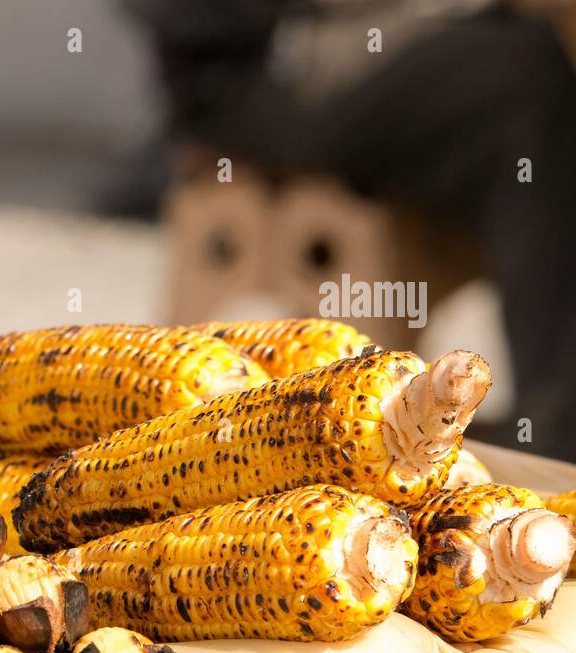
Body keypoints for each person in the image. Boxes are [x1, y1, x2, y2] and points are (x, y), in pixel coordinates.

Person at [128, 0, 576, 461]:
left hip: (444, 33)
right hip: (265, 58)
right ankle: (558, 433)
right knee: (535, 83)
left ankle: (552, 423)